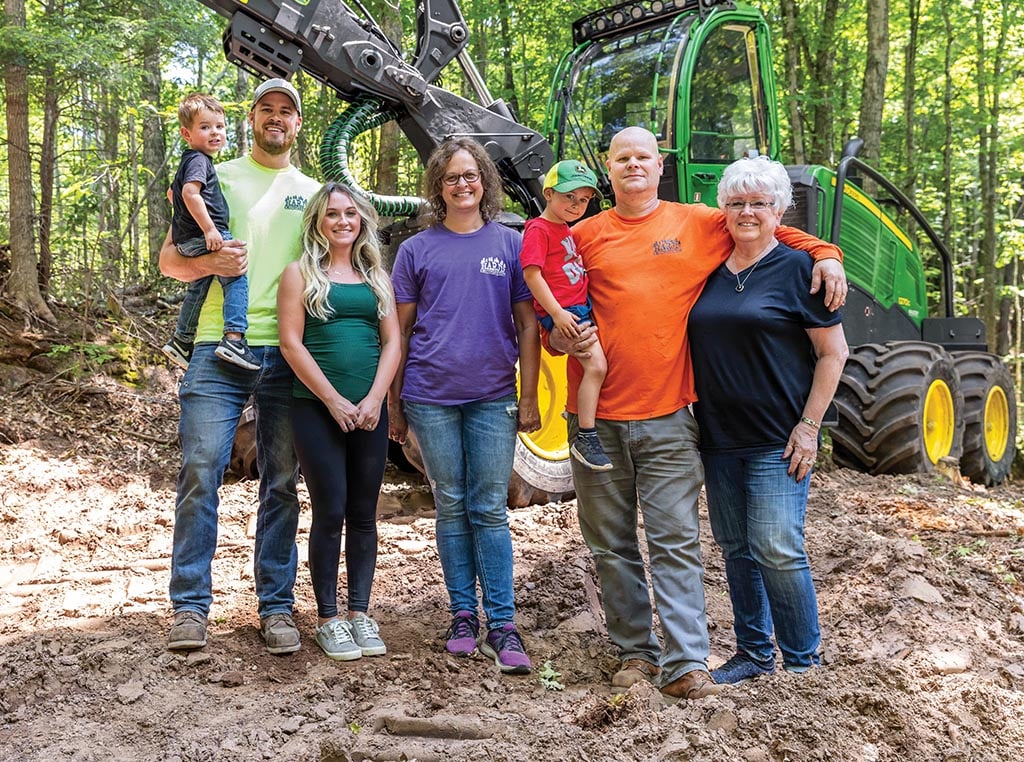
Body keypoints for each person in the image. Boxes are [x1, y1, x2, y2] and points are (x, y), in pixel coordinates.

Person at [547, 126, 847, 702]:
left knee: (676, 541)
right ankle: (635, 652)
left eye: (643, 157)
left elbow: (765, 225)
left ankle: (686, 662)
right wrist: (562, 340)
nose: (633, 166)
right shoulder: (580, 237)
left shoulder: (698, 222)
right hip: (593, 421)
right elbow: (552, 309)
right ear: (607, 170)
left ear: (661, 166)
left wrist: (826, 254)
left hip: (669, 416)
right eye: (621, 158)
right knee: (611, 544)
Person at [160, 78, 320, 655]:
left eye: (287, 112)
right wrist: (211, 262)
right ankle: (189, 608)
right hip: (216, 343)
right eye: (266, 110)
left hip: (289, 352)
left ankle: (276, 607)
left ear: (298, 124)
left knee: (281, 482)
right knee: (201, 471)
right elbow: (169, 263)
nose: (276, 118)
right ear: (252, 118)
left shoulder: (313, 191)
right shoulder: (213, 174)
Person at [689, 157, 848, 683]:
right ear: (723, 210)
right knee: (736, 549)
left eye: (760, 203)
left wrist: (810, 425)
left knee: (778, 546)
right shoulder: (706, 268)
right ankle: (754, 654)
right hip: (717, 437)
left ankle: (804, 664)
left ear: (780, 210)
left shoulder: (802, 270)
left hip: (780, 439)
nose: (747, 212)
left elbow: (833, 354)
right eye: (736, 202)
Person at [388, 137, 541, 675]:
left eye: (470, 176)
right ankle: (462, 615)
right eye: (451, 177)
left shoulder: (509, 243)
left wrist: (529, 396)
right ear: (438, 186)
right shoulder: (415, 251)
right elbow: (399, 333)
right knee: (451, 506)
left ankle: (502, 621)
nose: (461, 185)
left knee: (489, 509)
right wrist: (395, 405)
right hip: (430, 396)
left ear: (484, 183)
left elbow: (527, 324)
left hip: (493, 397)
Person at [278, 182, 401, 661]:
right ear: (317, 222)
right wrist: (332, 400)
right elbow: (292, 343)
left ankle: (360, 613)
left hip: (370, 410)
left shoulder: (376, 277)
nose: (343, 221)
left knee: (364, 514)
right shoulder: (300, 274)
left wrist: (375, 400)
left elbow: (391, 342)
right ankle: (328, 618)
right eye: (332, 214)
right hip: (315, 408)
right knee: (330, 511)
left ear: (362, 220)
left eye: (351, 213)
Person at [520, 160, 611, 471]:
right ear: (548, 193)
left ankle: (583, 423)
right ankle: (585, 434)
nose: (577, 205)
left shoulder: (564, 230)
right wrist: (557, 314)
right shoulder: (538, 229)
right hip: (566, 311)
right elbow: (532, 275)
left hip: (578, 307)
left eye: (584, 200)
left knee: (597, 365)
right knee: (596, 366)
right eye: (569, 196)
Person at [162, 93, 258, 372]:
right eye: (205, 127)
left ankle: (181, 339)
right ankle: (234, 339)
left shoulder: (190, 160)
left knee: (199, 285)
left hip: (187, 239)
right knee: (236, 275)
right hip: (205, 235)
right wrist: (209, 229)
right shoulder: (200, 160)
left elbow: (173, 193)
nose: (215, 132)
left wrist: (183, 215)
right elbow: (189, 192)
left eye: (219, 126)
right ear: (187, 133)